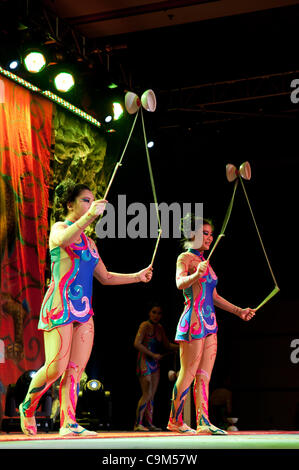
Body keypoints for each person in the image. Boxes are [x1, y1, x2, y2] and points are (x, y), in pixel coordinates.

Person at [19, 179, 153, 437]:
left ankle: (68, 422)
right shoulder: (60, 228)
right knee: (55, 367)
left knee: (75, 370)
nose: (92, 205)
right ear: (70, 204)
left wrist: (137, 276)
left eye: (93, 201)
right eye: (85, 200)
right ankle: (27, 407)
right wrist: (89, 218)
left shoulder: (91, 244)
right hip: (60, 305)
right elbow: (63, 238)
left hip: (84, 310)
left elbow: (105, 277)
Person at [167, 215, 255, 435]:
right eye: (205, 233)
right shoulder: (185, 258)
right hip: (193, 322)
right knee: (188, 373)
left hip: (210, 323)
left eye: (210, 234)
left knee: (204, 375)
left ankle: (203, 421)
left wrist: (239, 311)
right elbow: (179, 283)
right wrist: (196, 273)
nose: (210, 238)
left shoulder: (207, 262)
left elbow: (213, 296)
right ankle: (175, 420)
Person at [134, 302, 178, 431]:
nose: (156, 315)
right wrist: (152, 354)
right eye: (154, 312)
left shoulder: (160, 328)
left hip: (154, 363)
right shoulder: (144, 325)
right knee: (146, 393)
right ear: (149, 313)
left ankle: (149, 423)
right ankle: (138, 424)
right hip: (144, 361)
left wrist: (182, 346)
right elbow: (137, 343)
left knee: (152, 395)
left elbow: (167, 345)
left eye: (159, 313)